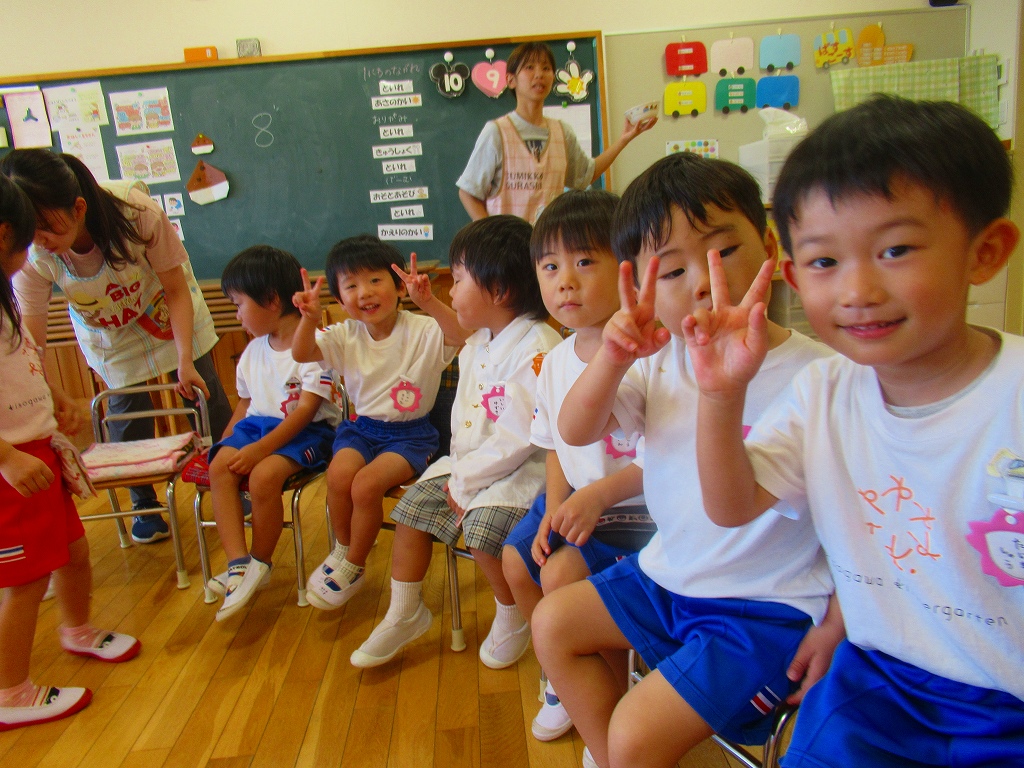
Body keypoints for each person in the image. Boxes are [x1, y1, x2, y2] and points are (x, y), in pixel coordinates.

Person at [685, 95, 1024, 768]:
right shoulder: (824, 394)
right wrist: (720, 395)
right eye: (824, 262)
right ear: (792, 275)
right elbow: (731, 506)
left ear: (984, 252)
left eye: (896, 249)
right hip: (880, 682)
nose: (857, 290)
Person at [531, 152, 842, 768]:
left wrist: (839, 621)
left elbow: (860, 522)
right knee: (552, 623)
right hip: (667, 576)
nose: (702, 281)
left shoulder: (825, 377)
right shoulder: (660, 360)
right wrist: (613, 356)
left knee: (635, 735)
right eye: (671, 270)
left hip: (763, 608)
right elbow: (575, 429)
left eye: (723, 252)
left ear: (770, 247)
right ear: (640, 287)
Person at [350, 215, 562, 669]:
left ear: (498, 290)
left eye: (459, 279)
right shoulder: (487, 334)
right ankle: (405, 612)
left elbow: (518, 439)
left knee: (482, 531)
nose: (451, 290)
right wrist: (426, 302)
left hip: (523, 470)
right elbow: (461, 330)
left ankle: (512, 616)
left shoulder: (538, 346)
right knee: (411, 513)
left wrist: (465, 481)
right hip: (469, 462)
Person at [1, 149, 232, 545]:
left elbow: (176, 290)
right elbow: (31, 343)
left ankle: (229, 479)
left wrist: (185, 360)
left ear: (78, 208)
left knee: (203, 391)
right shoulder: (34, 254)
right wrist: (48, 393)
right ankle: (144, 503)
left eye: (46, 226)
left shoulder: (136, 212)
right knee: (127, 408)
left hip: (164, 308)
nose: (40, 239)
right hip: (107, 327)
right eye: (30, 231)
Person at [500, 189, 653, 743]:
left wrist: (596, 496)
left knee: (564, 579)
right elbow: (555, 447)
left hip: (643, 512)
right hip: (581, 501)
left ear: (628, 268)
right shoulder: (554, 361)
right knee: (525, 563)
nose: (566, 281)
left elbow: (671, 460)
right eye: (550, 267)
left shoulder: (653, 352)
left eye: (585, 261)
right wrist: (557, 503)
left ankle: (609, 710)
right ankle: (571, 683)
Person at [0, 174, 140, 731]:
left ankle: (77, 629)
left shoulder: (4, 298)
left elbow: (22, 361)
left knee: (73, 552)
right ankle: (11, 692)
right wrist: (8, 458)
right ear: (5, 233)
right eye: (27, 239)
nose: (34, 251)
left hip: (38, 450)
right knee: (25, 581)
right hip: (14, 464)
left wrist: (56, 398)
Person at [291, 235, 461, 611]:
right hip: (362, 429)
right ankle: (344, 548)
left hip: (411, 435)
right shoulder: (344, 335)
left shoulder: (423, 329)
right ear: (340, 300)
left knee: (365, 486)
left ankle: (354, 565)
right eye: (351, 285)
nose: (364, 292)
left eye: (374, 280)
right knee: (338, 477)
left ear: (399, 286)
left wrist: (428, 302)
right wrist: (308, 319)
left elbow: (460, 334)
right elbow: (301, 353)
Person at [206, 246, 343, 622]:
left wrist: (259, 451)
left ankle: (260, 562)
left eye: (239, 304)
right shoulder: (252, 351)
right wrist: (226, 443)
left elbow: (306, 411)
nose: (237, 315)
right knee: (219, 465)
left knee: (264, 476)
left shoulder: (315, 345)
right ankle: (238, 564)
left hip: (308, 432)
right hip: (258, 427)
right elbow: (244, 405)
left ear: (271, 300)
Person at [456, 41, 656, 224]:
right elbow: (468, 192)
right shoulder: (497, 132)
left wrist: (624, 140)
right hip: (507, 247)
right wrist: (491, 233)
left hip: (548, 247)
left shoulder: (562, 132)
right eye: (529, 67)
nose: (539, 74)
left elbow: (584, 176)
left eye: (546, 68)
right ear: (511, 80)